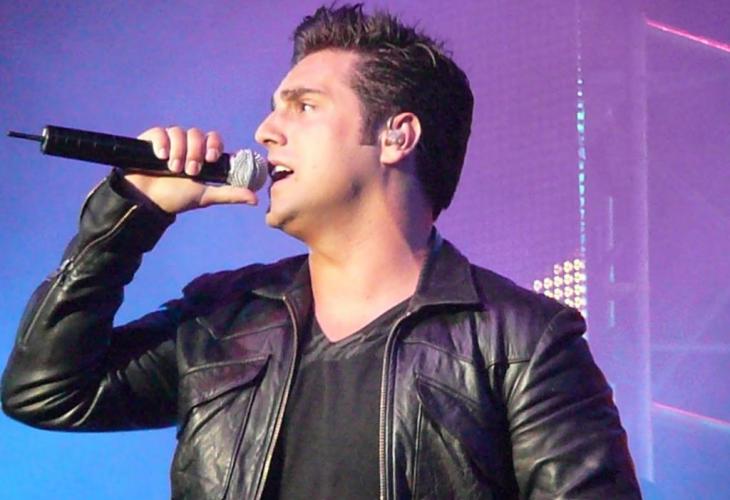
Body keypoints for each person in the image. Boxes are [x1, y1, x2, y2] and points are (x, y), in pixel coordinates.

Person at [1, 4, 641, 499]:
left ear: (396, 136)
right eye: (274, 109)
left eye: (304, 106)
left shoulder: (521, 342)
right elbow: (46, 391)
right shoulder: (223, 320)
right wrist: (130, 212)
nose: (265, 130)